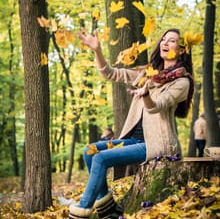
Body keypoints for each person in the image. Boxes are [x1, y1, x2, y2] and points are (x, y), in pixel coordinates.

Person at [69, 28, 194, 219]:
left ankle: (82, 210)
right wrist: (97, 50)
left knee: (101, 158)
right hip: (134, 140)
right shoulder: (149, 73)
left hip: (157, 144)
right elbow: (111, 74)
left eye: (172, 41)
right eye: (164, 39)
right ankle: (107, 207)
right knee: (90, 151)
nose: (165, 43)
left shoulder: (182, 82)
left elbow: (157, 106)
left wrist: (145, 96)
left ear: (182, 50)